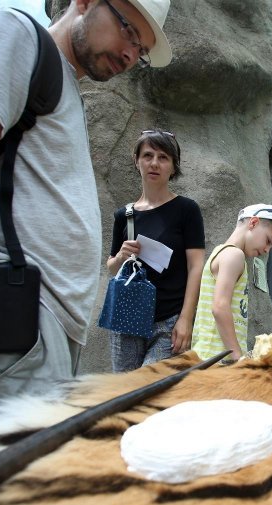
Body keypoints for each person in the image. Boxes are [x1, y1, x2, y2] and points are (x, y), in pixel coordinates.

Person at [0, 0, 175, 433]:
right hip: (7, 314)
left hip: (37, 332)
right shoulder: (13, 33)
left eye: (141, 50)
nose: (130, 54)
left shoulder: (64, 85)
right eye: (128, 30)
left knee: (22, 491)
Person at [107, 129, 205, 371]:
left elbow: (196, 267)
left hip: (169, 321)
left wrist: (186, 319)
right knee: (124, 393)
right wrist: (121, 256)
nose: (154, 163)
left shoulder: (186, 209)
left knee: (152, 390)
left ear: (173, 166)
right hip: (126, 317)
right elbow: (111, 267)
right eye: (148, 155)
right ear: (137, 160)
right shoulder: (125, 215)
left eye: (163, 157)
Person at [192, 204, 272, 364]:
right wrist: (237, 356)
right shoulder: (234, 255)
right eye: (268, 241)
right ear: (253, 223)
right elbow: (219, 307)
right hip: (218, 358)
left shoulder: (222, 252)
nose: (267, 250)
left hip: (211, 354)